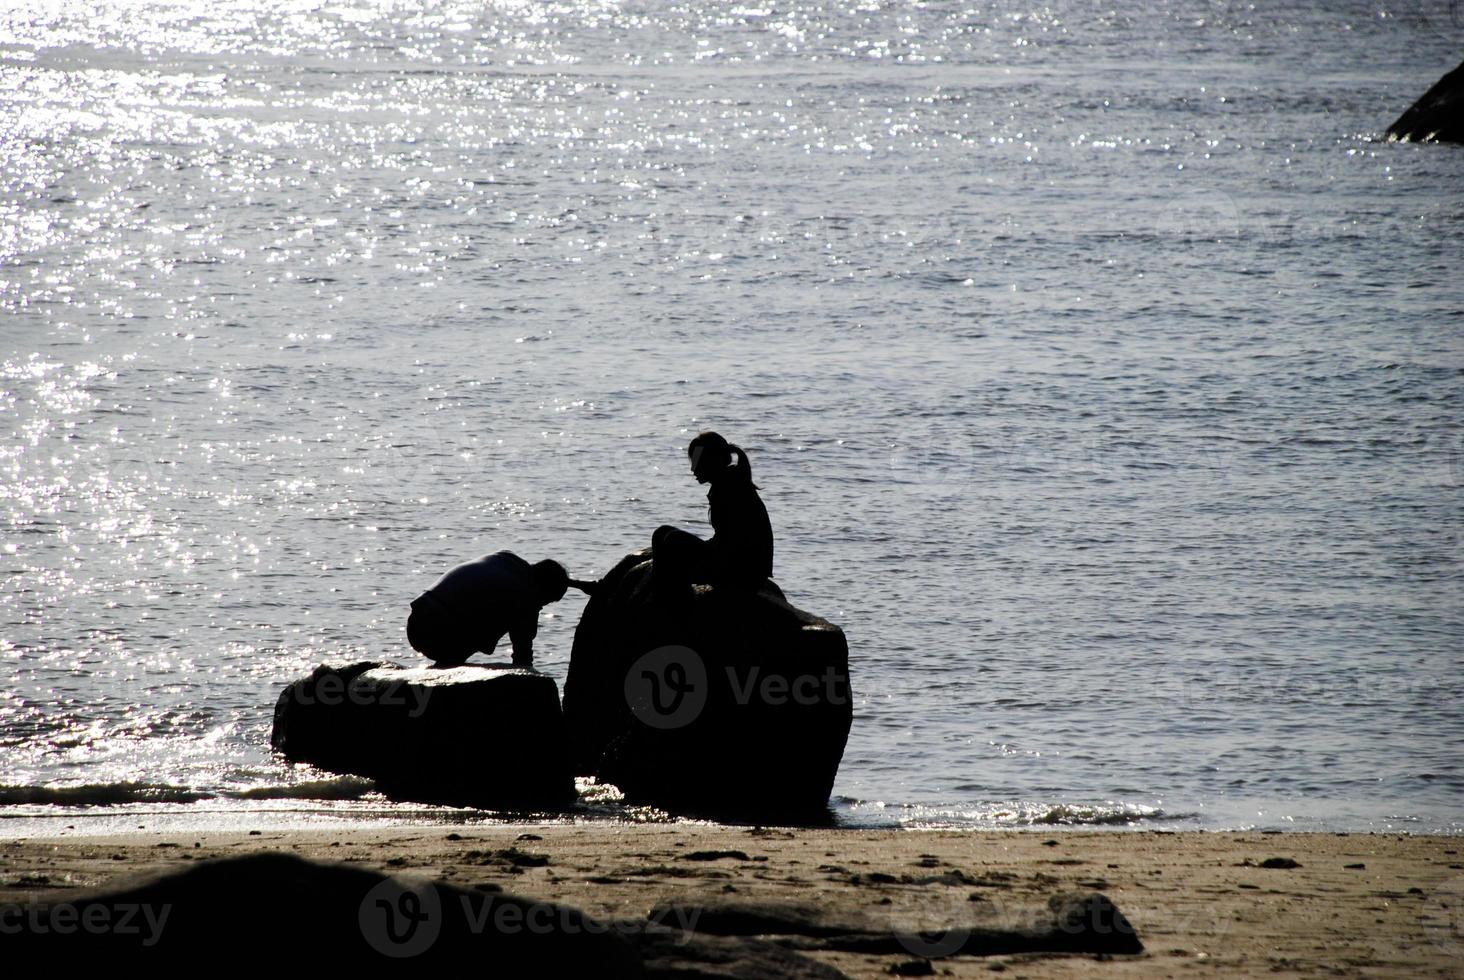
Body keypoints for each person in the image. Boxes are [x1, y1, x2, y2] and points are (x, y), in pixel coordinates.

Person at [406, 551, 581, 668]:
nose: (542, 606)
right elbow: (523, 653)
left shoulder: (505, 558)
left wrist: (574, 583)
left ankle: (445, 665)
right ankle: (447, 668)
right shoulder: (524, 594)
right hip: (435, 633)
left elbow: (545, 574)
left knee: (482, 612)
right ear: (542, 589)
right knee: (489, 626)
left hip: (417, 617)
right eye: (547, 601)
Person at [651, 431, 774, 592]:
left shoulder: (730, 488)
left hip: (742, 572)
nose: (692, 469)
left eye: (696, 461)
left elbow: (733, 546)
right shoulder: (728, 481)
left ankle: (669, 601)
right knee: (662, 533)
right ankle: (661, 592)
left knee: (673, 539)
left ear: (709, 461)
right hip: (733, 562)